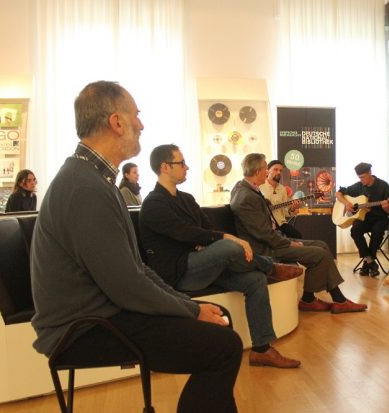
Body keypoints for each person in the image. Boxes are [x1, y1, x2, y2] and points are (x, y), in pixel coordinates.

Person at [30, 81, 242, 413]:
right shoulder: (85, 188)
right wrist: (192, 310)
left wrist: (188, 304)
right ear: (117, 122)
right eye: (136, 115)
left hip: (102, 313)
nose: (141, 124)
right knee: (223, 347)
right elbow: (127, 286)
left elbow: (136, 269)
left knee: (219, 328)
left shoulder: (94, 180)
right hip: (84, 329)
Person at [140, 144, 302, 369]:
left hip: (204, 264)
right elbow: (185, 233)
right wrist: (225, 238)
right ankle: (271, 267)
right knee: (229, 246)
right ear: (164, 167)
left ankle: (262, 350)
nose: (187, 167)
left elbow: (205, 228)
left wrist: (214, 241)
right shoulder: (153, 204)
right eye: (181, 163)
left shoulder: (186, 199)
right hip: (180, 272)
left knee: (255, 280)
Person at [230, 153, 368, 314]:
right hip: (265, 248)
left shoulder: (246, 188)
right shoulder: (246, 196)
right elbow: (264, 234)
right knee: (320, 254)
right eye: (266, 169)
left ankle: (314, 300)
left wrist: (287, 230)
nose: (268, 172)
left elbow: (265, 227)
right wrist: (289, 242)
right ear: (258, 171)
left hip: (271, 240)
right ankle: (333, 300)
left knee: (322, 245)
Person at [335, 162, 389, 276]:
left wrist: (387, 208)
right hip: (364, 218)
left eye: (363, 177)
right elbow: (338, 194)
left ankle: (367, 263)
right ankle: (370, 261)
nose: (361, 180)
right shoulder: (358, 186)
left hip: (380, 218)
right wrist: (347, 203)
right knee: (355, 230)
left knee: (377, 231)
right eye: (359, 177)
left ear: (370, 172)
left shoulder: (383, 186)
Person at [259, 159, 303, 239]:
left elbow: (285, 212)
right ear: (268, 171)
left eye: (280, 170)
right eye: (275, 169)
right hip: (266, 224)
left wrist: (292, 209)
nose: (279, 172)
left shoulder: (282, 189)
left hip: (281, 224)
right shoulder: (260, 186)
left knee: (297, 236)